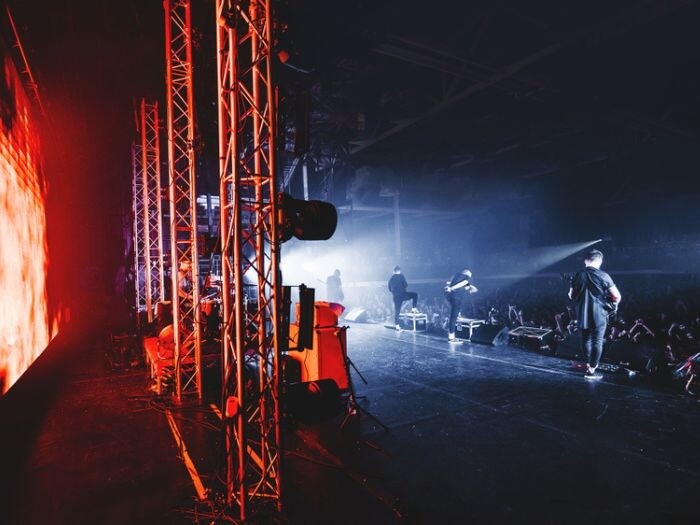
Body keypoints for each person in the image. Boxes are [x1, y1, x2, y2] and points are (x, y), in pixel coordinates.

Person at [568, 250, 621, 380]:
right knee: (597, 341)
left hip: (582, 312)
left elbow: (571, 296)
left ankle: (588, 365)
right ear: (600, 261)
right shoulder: (604, 276)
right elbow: (617, 296)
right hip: (599, 313)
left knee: (585, 340)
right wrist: (613, 304)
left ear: (585, 260)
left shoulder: (577, 275)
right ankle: (592, 370)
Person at [444, 268, 478, 342]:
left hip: (450, 296)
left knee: (455, 313)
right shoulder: (466, 277)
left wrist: (471, 287)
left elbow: (471, 288)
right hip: (456, 297)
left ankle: (458, 314)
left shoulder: (456, 276)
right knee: (453, 318)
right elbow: (464, 282)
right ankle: (451, 337)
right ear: (468, 273)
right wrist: (451, 288)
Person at [388, 265, 419, 330]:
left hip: (396, 297)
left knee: (397, 311)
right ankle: (413, 310)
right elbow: (405, 285)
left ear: (393, 271)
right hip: (403, 295)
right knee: (415, 295)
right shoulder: (401, 276)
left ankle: (397, 326)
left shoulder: (391, 278)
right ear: (399, 270)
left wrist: (394, 292)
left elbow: (389, 288)